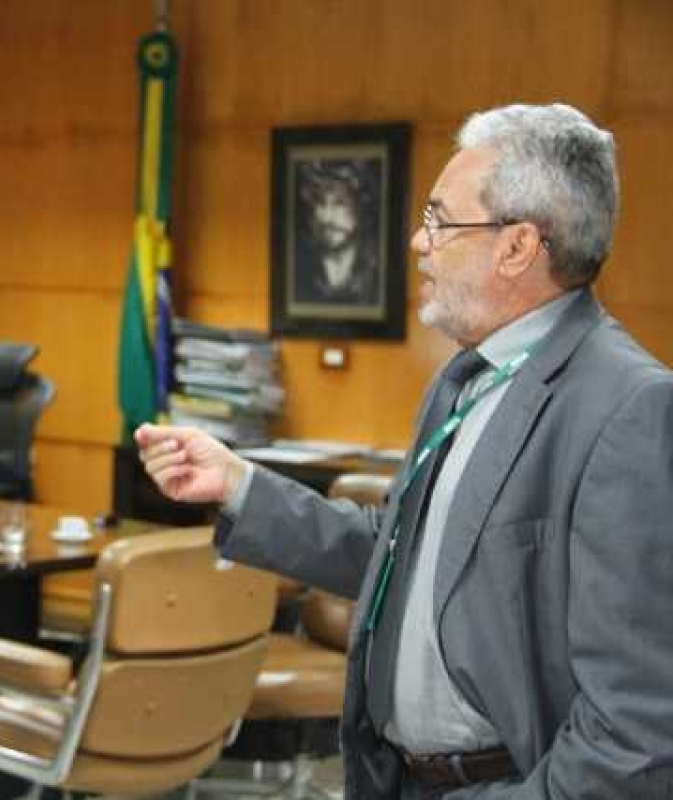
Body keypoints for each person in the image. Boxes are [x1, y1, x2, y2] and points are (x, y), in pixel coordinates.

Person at [138, 103, 673, 798]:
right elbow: (401, 556)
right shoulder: (464, 378)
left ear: (517, 247)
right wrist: (239, 483)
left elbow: (635, 727)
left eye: (438, 221)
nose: (419, 244)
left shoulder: (629, 408)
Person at [293, 159, 381, 307]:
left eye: (339, 203)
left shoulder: (376, 270)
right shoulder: (300, 268)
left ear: (361, 207)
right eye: (320, 202)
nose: (327, 217)